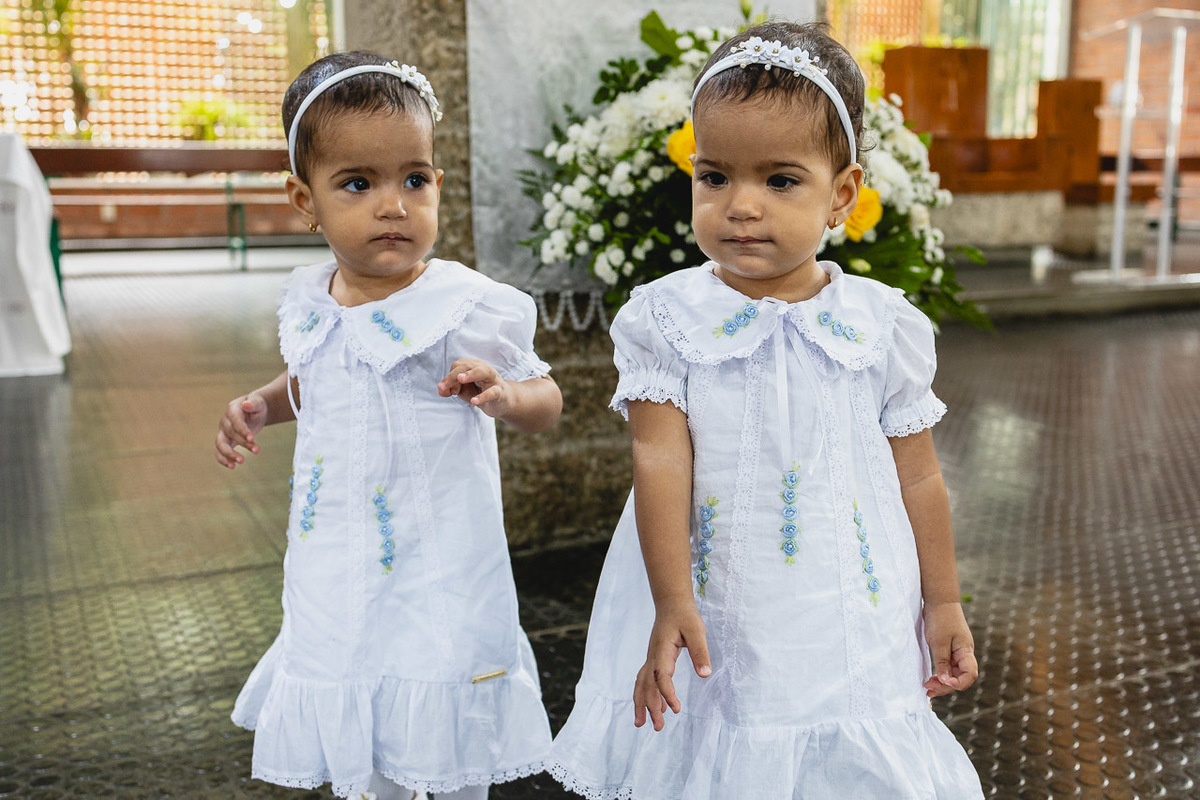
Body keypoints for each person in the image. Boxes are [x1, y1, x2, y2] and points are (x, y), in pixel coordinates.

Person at [548, 22, 983, 799]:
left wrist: (943, 601)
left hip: (852, 601)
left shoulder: (884, 326)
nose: (740, 207)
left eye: (780, 181)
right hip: (722, 599)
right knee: (729, 739)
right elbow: (659, 459)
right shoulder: (666, 319)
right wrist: (673, 599)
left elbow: (917, 477)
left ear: (841, 193)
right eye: (715, 177)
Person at [213, 51, 561, 800]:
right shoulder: (312, 300)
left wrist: (504, 395)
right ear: (304, 200)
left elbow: (547, 398)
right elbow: (314, 377)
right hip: (335, 556)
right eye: (357, 184)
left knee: (436, 687)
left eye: (414, 179)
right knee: (351, 673)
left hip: (437, 561)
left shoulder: (463, 304)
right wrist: (264, 405)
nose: (393, 204)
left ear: (437, 183)